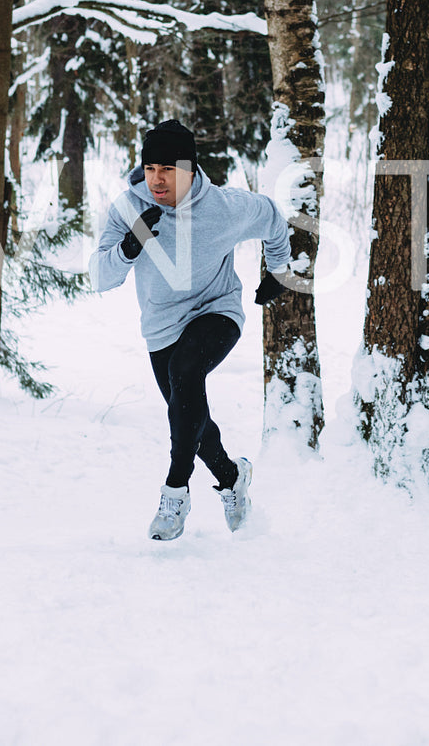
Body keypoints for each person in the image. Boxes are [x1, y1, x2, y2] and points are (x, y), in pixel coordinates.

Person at [90, 119, 291, 540]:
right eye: (150, 169)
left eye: (168, 169)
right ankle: (233, 477)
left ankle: (175, 492)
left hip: (217, 311)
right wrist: (129, 247)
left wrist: (276, 269)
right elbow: (99, 276)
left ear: (191, 169)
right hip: (162, 326)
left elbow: (273, 217)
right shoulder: (128, 209)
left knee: (185, 374)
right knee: (192, 419)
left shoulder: (224, 207)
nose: (157, 180)